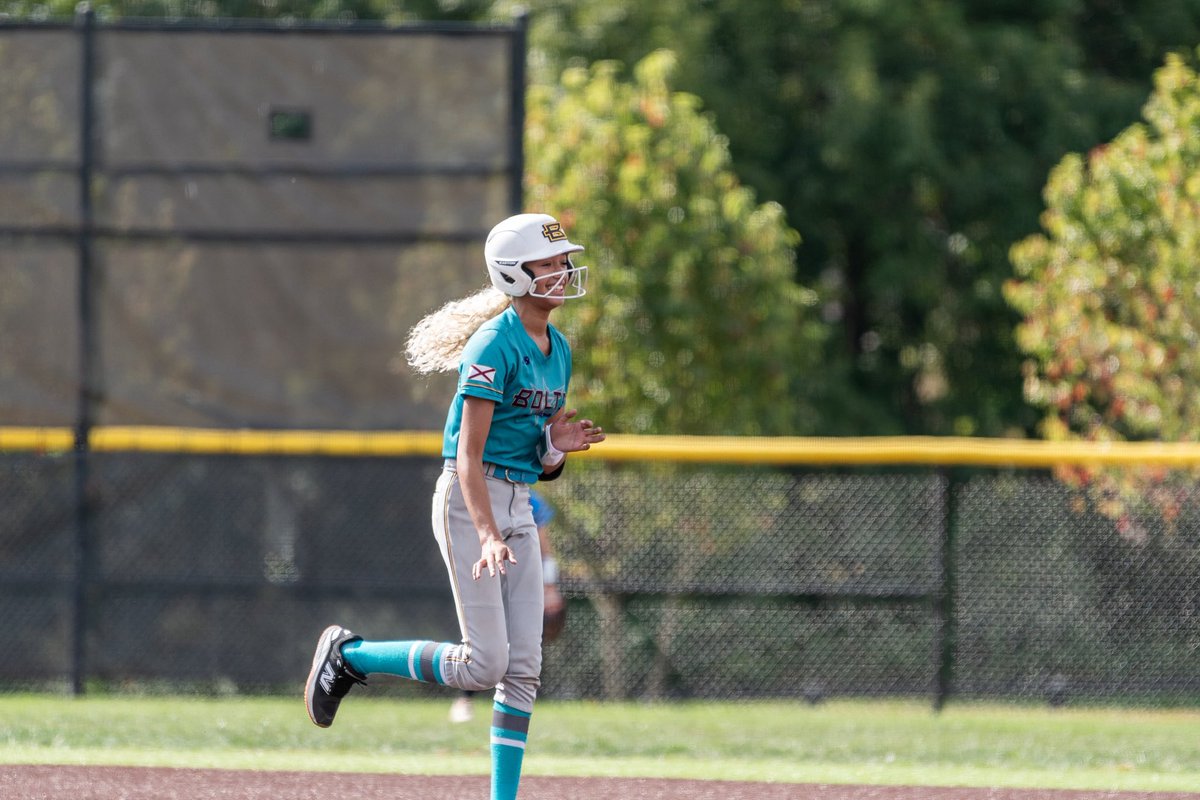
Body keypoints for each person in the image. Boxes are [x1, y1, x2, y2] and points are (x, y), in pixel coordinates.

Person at [304, 212, 605, 800]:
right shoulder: (494, 342)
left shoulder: (558, 346)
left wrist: (553, 447)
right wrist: (490, 533)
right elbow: (467, 458)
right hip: (473, 504)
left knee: (523, 672)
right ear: (515, 274)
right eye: (549, 263)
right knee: (484, 666)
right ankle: (351, 655)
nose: (564, 271)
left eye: (563, 260)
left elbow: (531, 454)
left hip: (517, 500)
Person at [449, 489, 564, 725]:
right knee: (481, 636)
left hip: (517, 574)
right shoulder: (481, 490)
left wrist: (550, 585)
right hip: (485, 565)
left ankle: (517, 697)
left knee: (521, 639)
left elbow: (545, 548)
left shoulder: (531, 500)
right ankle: (465, 698)